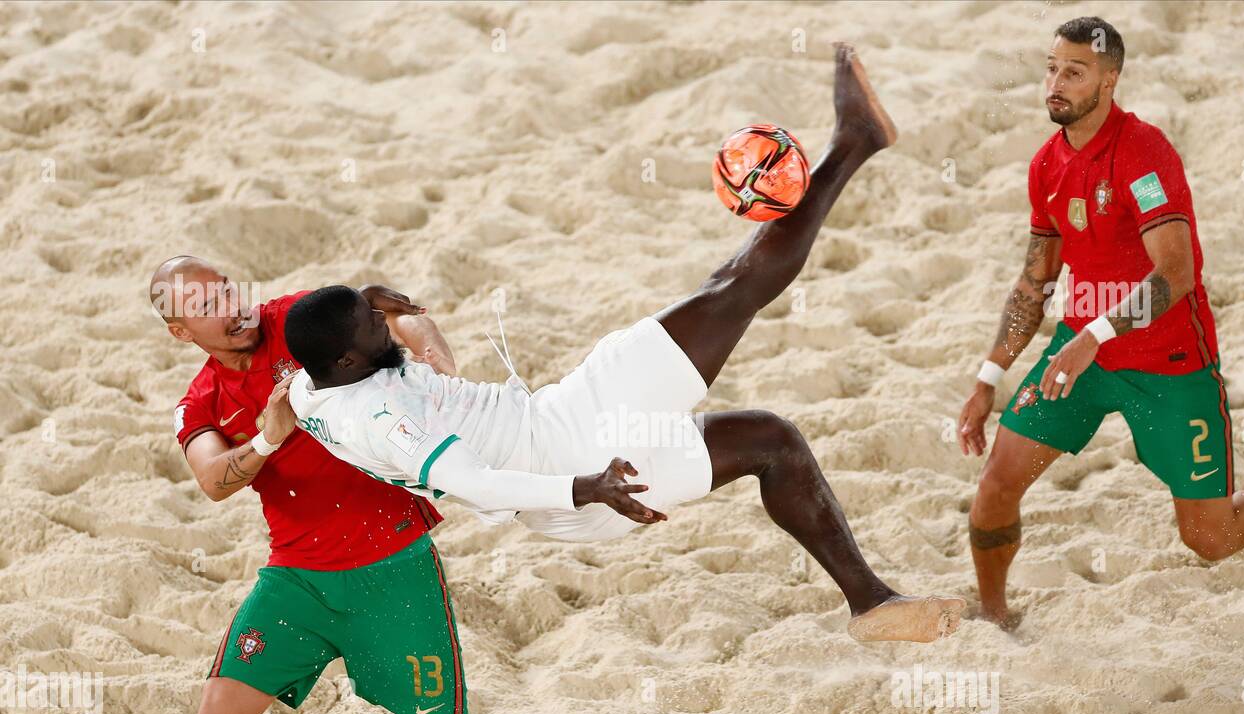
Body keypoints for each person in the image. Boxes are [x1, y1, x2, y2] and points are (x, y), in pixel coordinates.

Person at [286, 45, 964, 644]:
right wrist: (587, 486)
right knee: (731, 291)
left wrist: (364, 298)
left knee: (772, 441)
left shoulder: (309, 384)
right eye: (374, 330)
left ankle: (873, 606)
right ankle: (855, 141)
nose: (387, 326)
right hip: (575, 458)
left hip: (558, 445)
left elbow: (306, 354)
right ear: (347, 360)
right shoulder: (383, 420)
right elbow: (471, 483)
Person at [956, 17, 1244, 627]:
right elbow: (1034, 283)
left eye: (1074, 72)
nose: (1055, 84)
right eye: (1051, 68)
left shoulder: (1143, 151)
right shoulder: (1046, 166)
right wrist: (988, 378)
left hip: (1169, 362)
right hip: (1080, 355)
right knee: (997, 482)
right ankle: (993, 616)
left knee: (1209, 539)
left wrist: (1094, 335)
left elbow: (1176, 275)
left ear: (1109, 80)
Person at [156, 255, 472, 714]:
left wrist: (439, 367)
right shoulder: (201, 400)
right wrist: (268, 439)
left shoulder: (294, 320)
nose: (231, 308)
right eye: (206, 308)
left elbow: (396, 319)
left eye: (228, 290)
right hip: (298, 577)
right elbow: (211, 479)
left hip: (395, 562)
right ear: (182, 333)